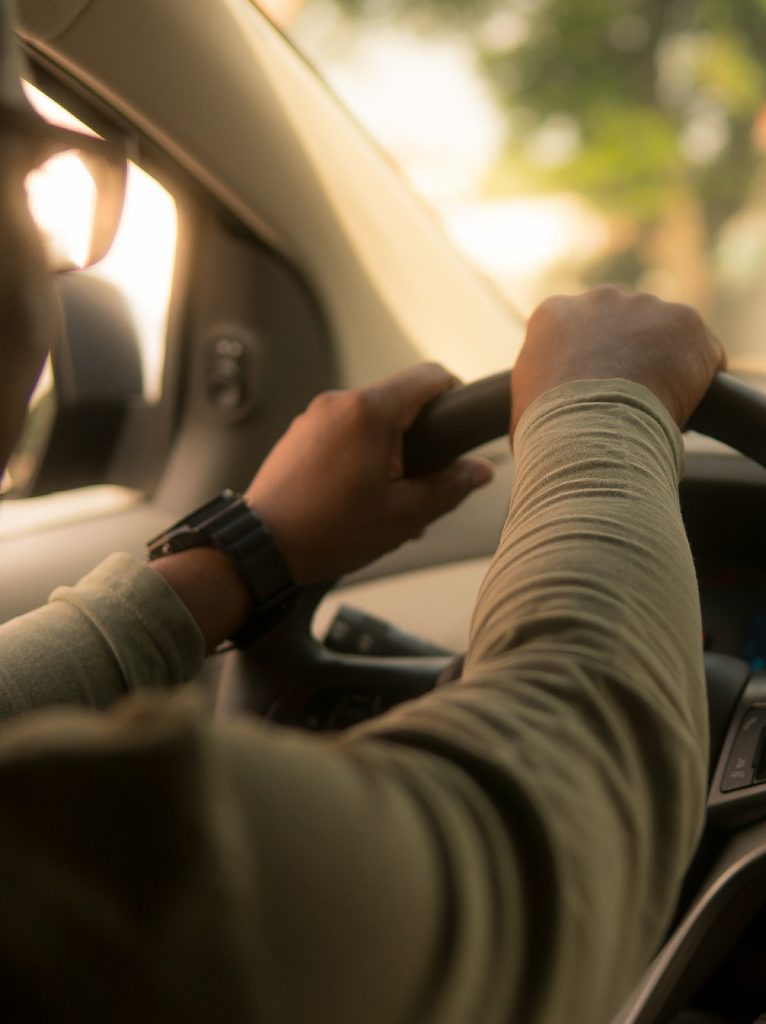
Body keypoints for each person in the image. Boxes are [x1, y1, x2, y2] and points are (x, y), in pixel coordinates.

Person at [0, 2, 725, 1020]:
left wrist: (246, 554)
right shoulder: (99, 873)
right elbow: (534, 851)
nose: (47, 260)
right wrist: (603, 413)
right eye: (29, 168)